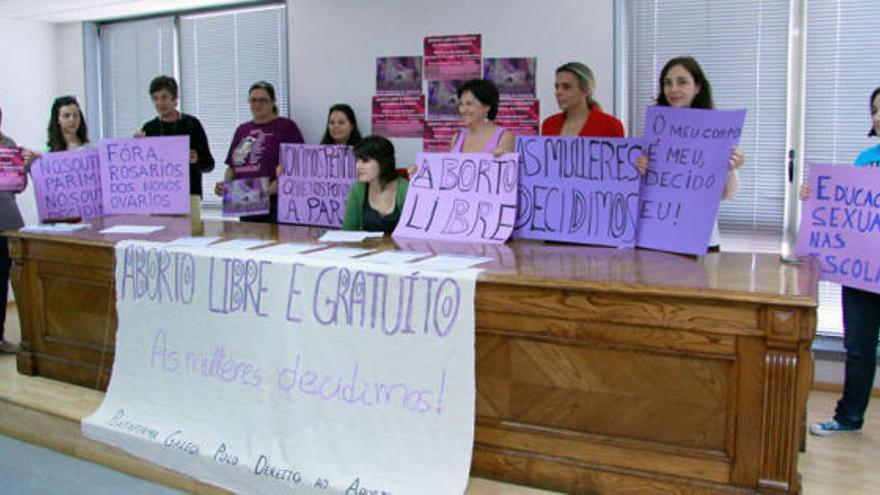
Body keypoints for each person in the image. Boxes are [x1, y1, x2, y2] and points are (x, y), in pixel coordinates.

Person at [807, 86, 880, 436]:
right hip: (863, 274)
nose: (878, 117)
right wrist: (815, 196)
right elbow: (848, 213)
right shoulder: (865, 158)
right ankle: (849, 418)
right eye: (875, 110)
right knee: (859, 348)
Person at [637, 56, 746, 250]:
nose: (673, 89)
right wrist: (639, 168)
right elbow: (640, 190)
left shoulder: (717, 131)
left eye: (682, 82)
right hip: (657, 236)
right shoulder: (654, 131)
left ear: (697, 87)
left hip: (701, 238)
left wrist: (729, 168)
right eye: (667, 83)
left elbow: (727, 193)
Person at [215, 81, 304, 222]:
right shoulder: (242, 130)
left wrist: (282, 182)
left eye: (263, 100)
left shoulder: (286, 127)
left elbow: (300, 163)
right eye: (253, 100)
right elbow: (232, 167)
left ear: (273, 101)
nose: (257, 104)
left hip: (276, 206)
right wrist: (226, 187)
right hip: (246, 205)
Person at [139, 76, 214, 220]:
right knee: (160, 239)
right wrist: (135, 146)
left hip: (189, 197)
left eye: (164, 97)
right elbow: (140, 170)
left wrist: (196, 159)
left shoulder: (192, 125)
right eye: (155, 98)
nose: (160, 103)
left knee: (190, 240)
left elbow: (209, 164)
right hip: (159, 198)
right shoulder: (149, 128)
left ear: (175, 97)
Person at [0, 107, 28, 353]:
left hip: (8, 223)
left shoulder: (9, 144)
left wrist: (25, 169)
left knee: (5, 281)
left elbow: (18, 185)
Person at [341, 135, 408, 232]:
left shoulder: (406, 189)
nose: (358, 166)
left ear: (383, 161)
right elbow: (347, 231)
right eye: (357, 161)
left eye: (365, 161)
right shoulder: (358, 188)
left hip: (401, 247)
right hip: (364, 247)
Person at [541, 62, 625, 137]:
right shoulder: (549, 124)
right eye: (557, 87)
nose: (558, 92)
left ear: (586, 90)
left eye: (566, 87)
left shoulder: (610, 125)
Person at [448, 78, 515, 155]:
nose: (463, 110)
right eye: (461, 104)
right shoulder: (456, 138)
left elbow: (507, 165)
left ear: (487, 106)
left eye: (469, 104)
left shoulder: (504, 137)